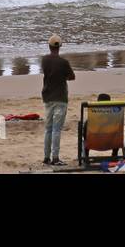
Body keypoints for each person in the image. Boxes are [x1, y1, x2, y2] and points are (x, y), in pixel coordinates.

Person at [40, 35, 75, 166]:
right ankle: (55, 157)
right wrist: (63, 76)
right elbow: (72, 76)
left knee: (48, 128)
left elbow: (48, 72)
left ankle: (46, 157)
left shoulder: (44, 60)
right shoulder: (64, 63)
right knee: (56, 129)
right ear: (59, 47)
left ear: (49, 46)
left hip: (48, 96)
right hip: (60, 97)